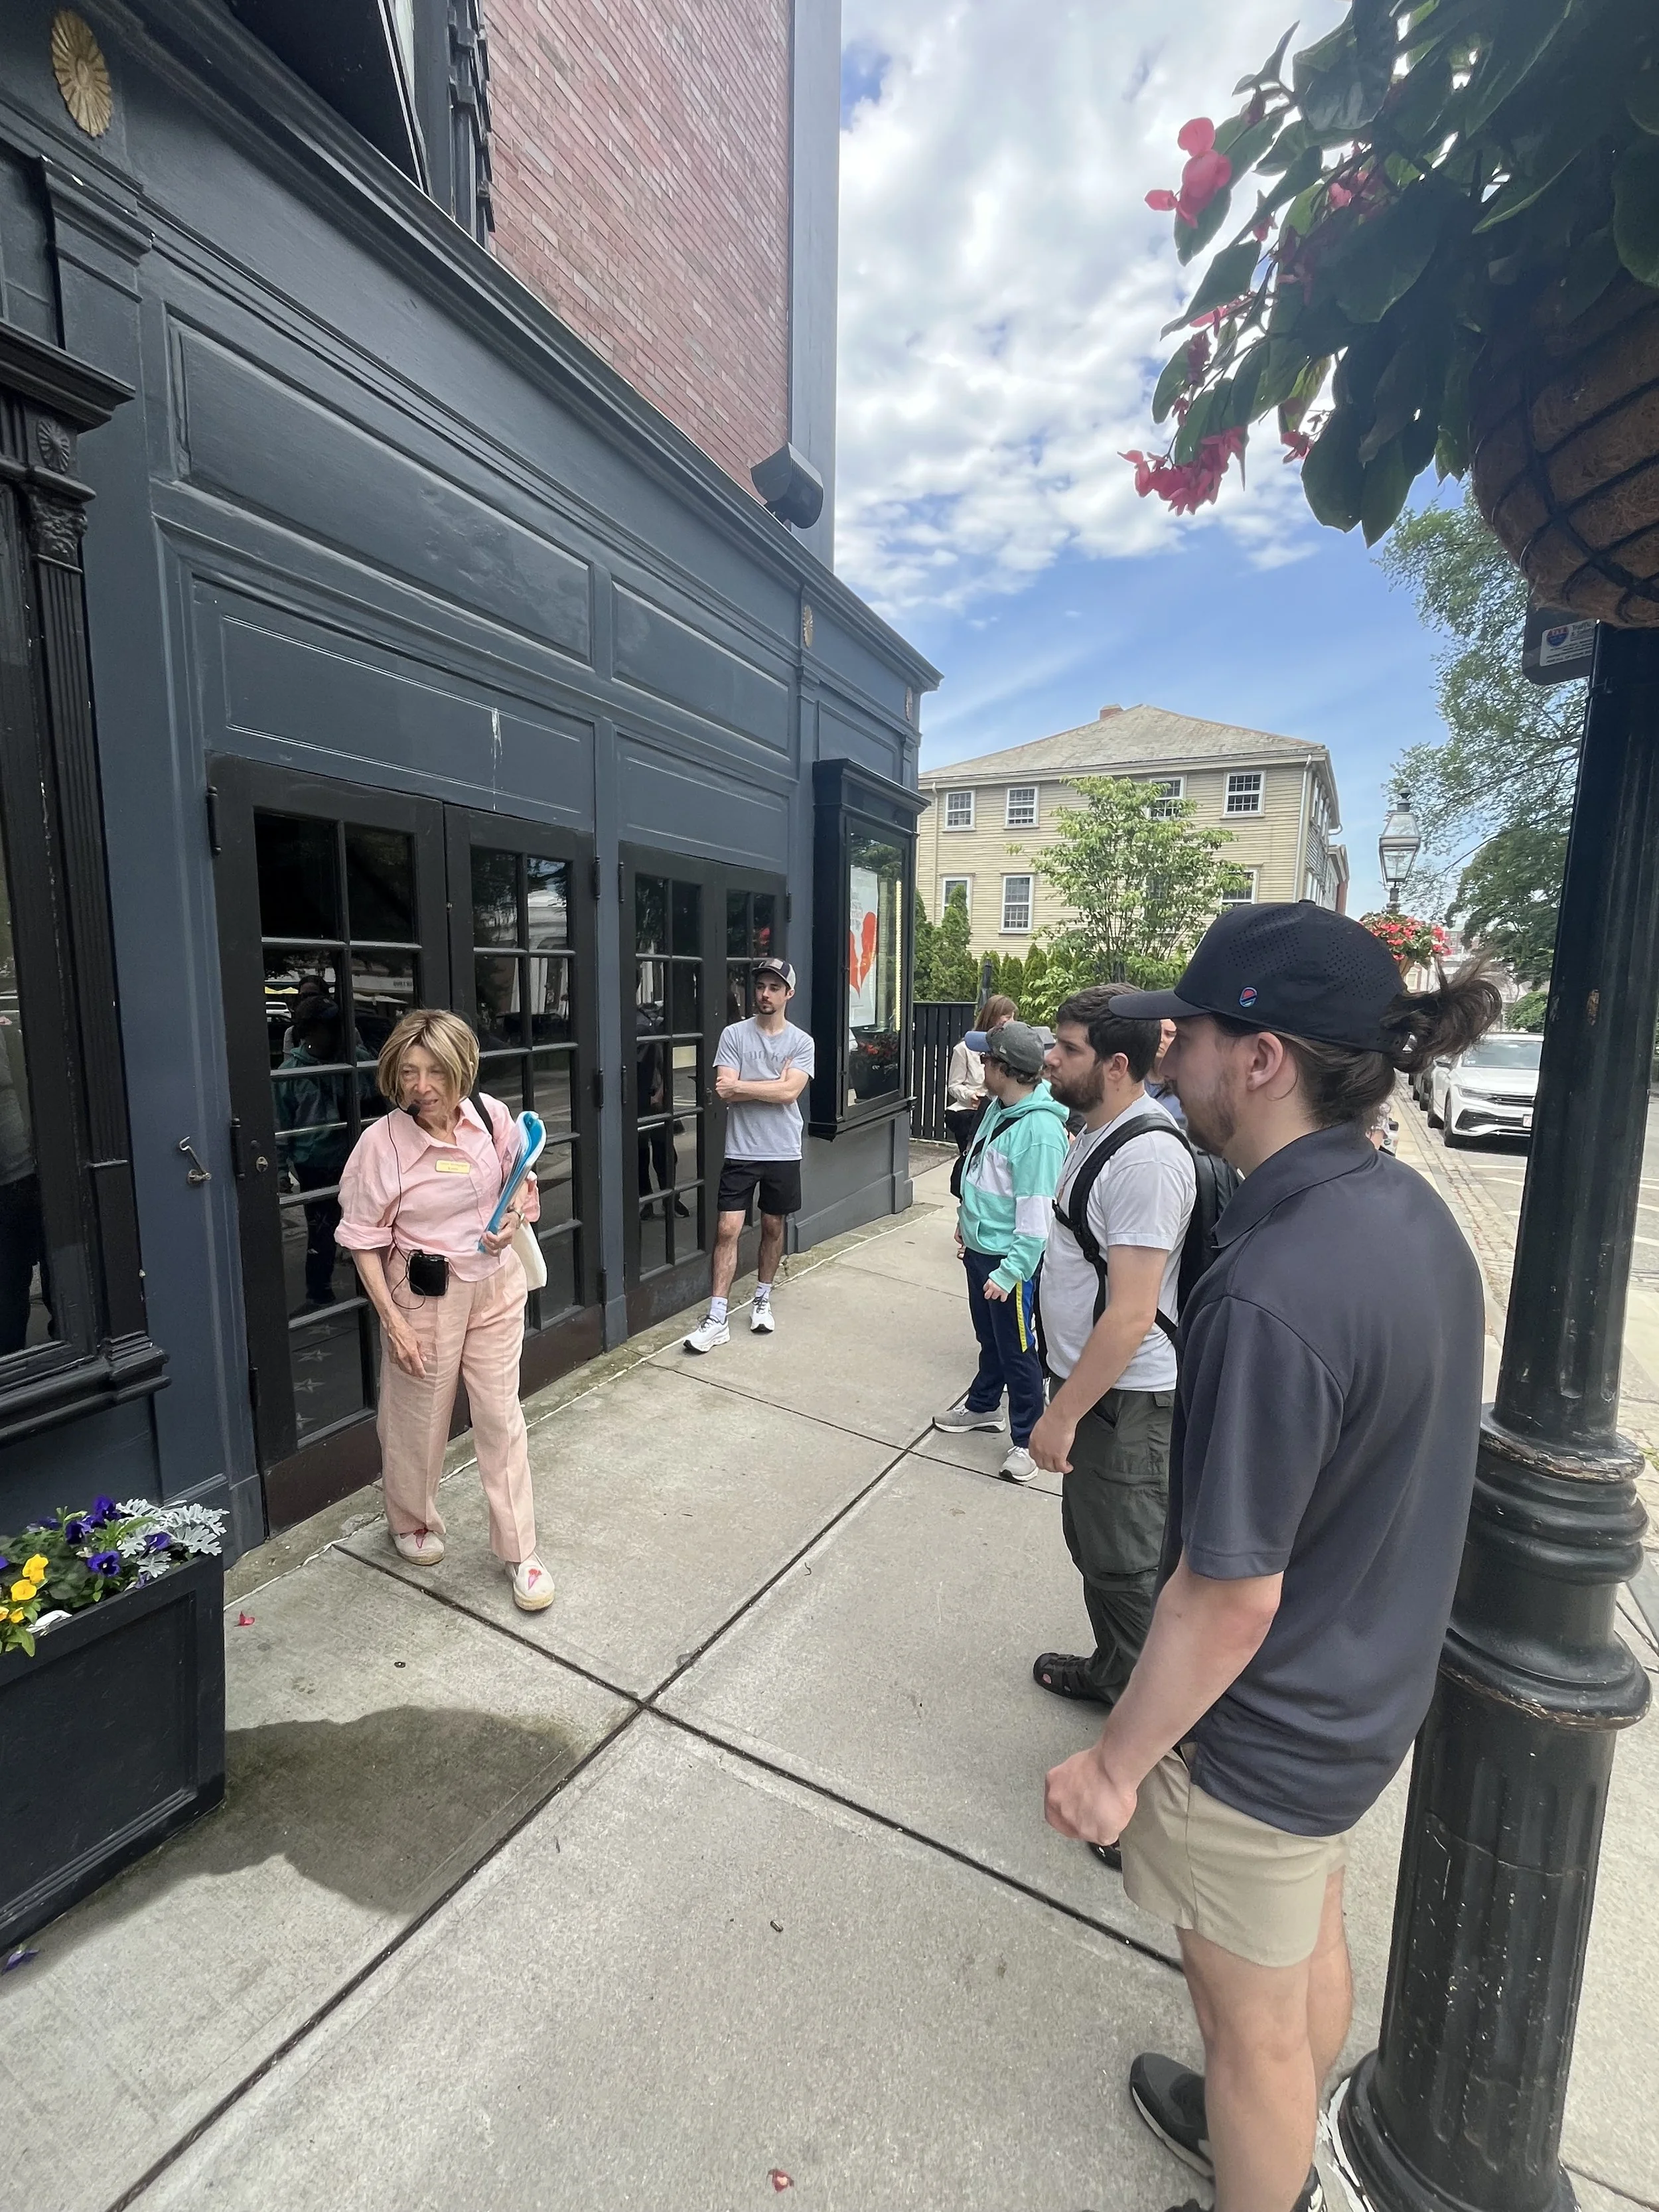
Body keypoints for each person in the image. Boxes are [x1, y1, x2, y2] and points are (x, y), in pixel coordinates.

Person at [1042, 902, 1500, 2212]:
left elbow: (1224, 1593)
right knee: (1304, 1936)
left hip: (1258, 1731)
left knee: (1244, 2027)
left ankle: (1261, 2167)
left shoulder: (1270, 1280)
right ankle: (1278, 2128)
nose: (1167, 1049)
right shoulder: (1404, 1214)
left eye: (1188, 1029)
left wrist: (1113, 1765)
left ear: (1261, 1057)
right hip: (1359, 1699)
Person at [335, 1007, 555, 1613]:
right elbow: (361, 1240)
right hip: (424, 1296)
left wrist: (512, 1219)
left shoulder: (492, 1116)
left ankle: (521, 1551)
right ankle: (411, 1518)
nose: (421, 1086)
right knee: (417, 1417)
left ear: (463, 1069)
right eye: (409, 1072)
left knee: (500, 1415)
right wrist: (393, 1320)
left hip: (495, 1287)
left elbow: (522, 1186)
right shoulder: (380, 1145)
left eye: (435, 1071)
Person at [1027, 986, 1195, 1718]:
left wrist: (1062, 1415)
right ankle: (1112, 1674)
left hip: (1123, 1401)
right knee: (1097, 1548)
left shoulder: (1146, 1159)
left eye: (1067, 1049)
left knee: (1128, 1570)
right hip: (1098, 1394)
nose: (1050, 1057)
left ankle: (1151, 1764)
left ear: (1117, 1064)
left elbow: (1130, 1315)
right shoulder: (1099, 1129)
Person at [933, 1021, 1068, 1483]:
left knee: (1018, 1350)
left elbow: (1035, 1218)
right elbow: (982, 1175)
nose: (980, 1065)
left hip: (1008, 1262)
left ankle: (1028, 1439)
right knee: (990, 1339)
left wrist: (1012, 1271)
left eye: (987, 1059)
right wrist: (965, 1225)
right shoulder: (998, 1107)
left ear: (1006, 1068)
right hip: (982, 1250)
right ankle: (984, 1405)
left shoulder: (1039, 1132)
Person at [684, 956, 814, 1353]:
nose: (764, 994)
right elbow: (724, 1089)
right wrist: (773, 1084)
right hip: (741, 1150)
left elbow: (791, 1094)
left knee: (774, 1227)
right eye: (760, 986)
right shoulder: (734, 1035)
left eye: (774, 988)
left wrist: (750, 1086)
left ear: (788, 993)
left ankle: (762, 1297)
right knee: (727, 1229)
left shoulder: (802, 1042)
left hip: (782, 1150)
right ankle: (717, 1315)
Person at [945, 992, 1018, 1157]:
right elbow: (953, 1085)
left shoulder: (1010, 1048)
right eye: (1007, 1017)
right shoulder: (964, 1048)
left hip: (999, 1112)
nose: (1011, 1022)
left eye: (1013, 1017)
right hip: (971, 1114)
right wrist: (970, 1096)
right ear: (992, 1017)